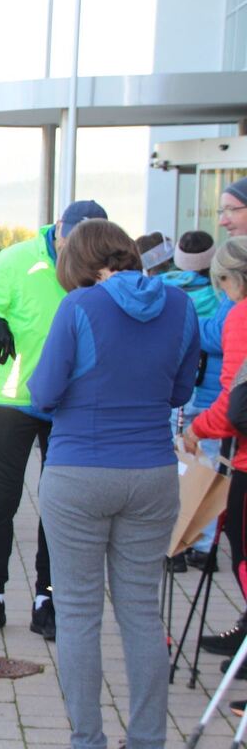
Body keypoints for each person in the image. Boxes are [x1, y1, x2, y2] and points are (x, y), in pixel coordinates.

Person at [31, 219, 199, 749]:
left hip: (79, 472)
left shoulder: (79, 307)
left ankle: (88, 739)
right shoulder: (181, 305)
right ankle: (148, 739)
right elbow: (180, 391)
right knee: (141, 611)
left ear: (78, 262)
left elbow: (44, 393)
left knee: (79, 613)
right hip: (152, 472)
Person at [0, 199, 108, 641]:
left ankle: (47, 597)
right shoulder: (19, 258)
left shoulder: (100, 266)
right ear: (58, 227)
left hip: (72, 402)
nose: (73, 250)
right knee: (0, 501)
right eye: (68, 239)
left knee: (59, 504)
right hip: (14, 397)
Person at [186, 238, 247, 657]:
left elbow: (236, 400)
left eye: (220, 283)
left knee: (242, 553)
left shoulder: (241, 315)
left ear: (230, 278)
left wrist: (197, 428)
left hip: (245, 458)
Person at [161, 230, 222, 570]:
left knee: (177, 464)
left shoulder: (165, 289)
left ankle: (176, 544)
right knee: (209, 467)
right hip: (214, 395)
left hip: (178, 390)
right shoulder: (221, 293)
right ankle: (205, 545)